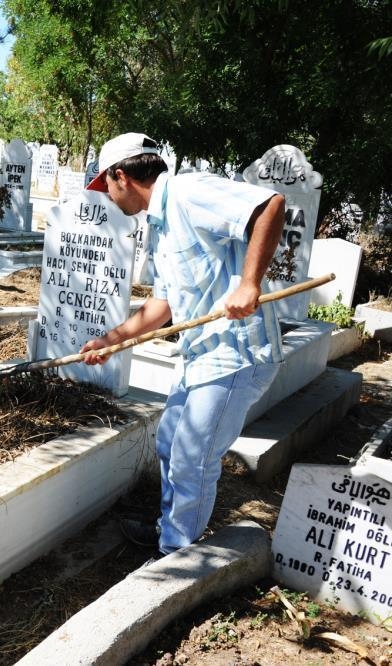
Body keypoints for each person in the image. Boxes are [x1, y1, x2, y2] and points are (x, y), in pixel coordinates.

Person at [78, 132, 286, 558]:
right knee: (170, 439)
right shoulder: (160, 225)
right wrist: (112, 340)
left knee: (194, 456)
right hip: (201, 354)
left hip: (235, 353)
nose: (109, 197)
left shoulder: (188, 192)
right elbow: (164, 303)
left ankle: (174, 556)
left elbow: (270, 206)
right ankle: (169, 529)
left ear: (122, 176)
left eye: (107, 186)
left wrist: (249, 283)